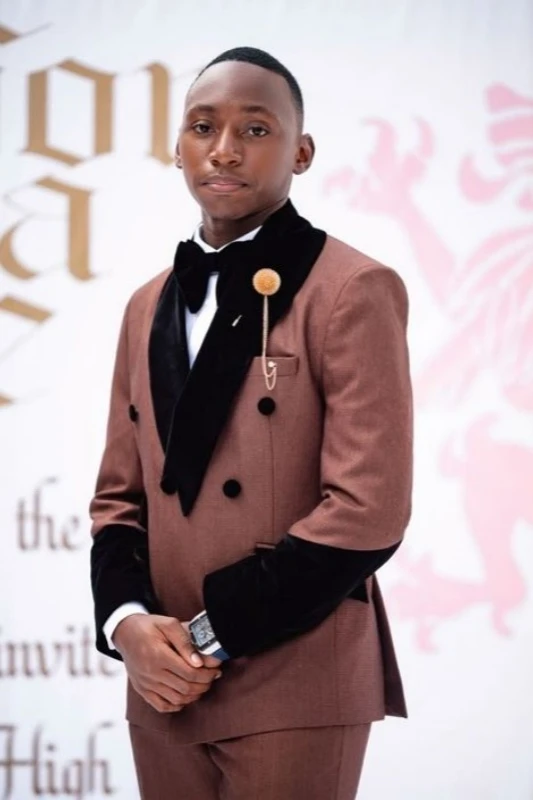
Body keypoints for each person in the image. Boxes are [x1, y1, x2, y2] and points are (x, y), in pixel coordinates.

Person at [89, 46, 413, 800]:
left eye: (256, 129)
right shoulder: (144, 304)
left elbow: (369, 511)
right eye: (203, 127)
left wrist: (207, 636)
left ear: (301, 153)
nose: (225, 149)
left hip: (293, 673)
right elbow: (118, 497)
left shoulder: (352, 288)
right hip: (162, 681)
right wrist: (129, 624)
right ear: (178, 148)